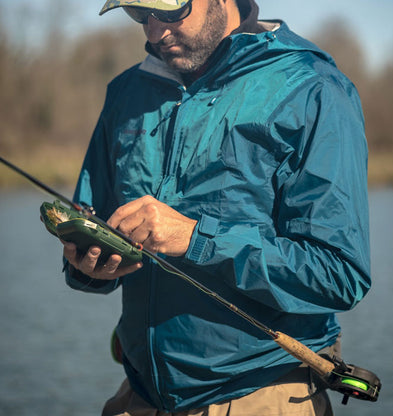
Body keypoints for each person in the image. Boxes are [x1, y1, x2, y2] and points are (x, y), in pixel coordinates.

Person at [62, 0, 371, 415]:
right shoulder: (125, 92)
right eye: (140, 14)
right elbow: (90, 226)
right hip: (138, 395)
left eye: (170, 13)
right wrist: (87, 266)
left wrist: (195, 238)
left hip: (262, 393)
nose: (154, 32)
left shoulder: (314, 89)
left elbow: (338, 273)